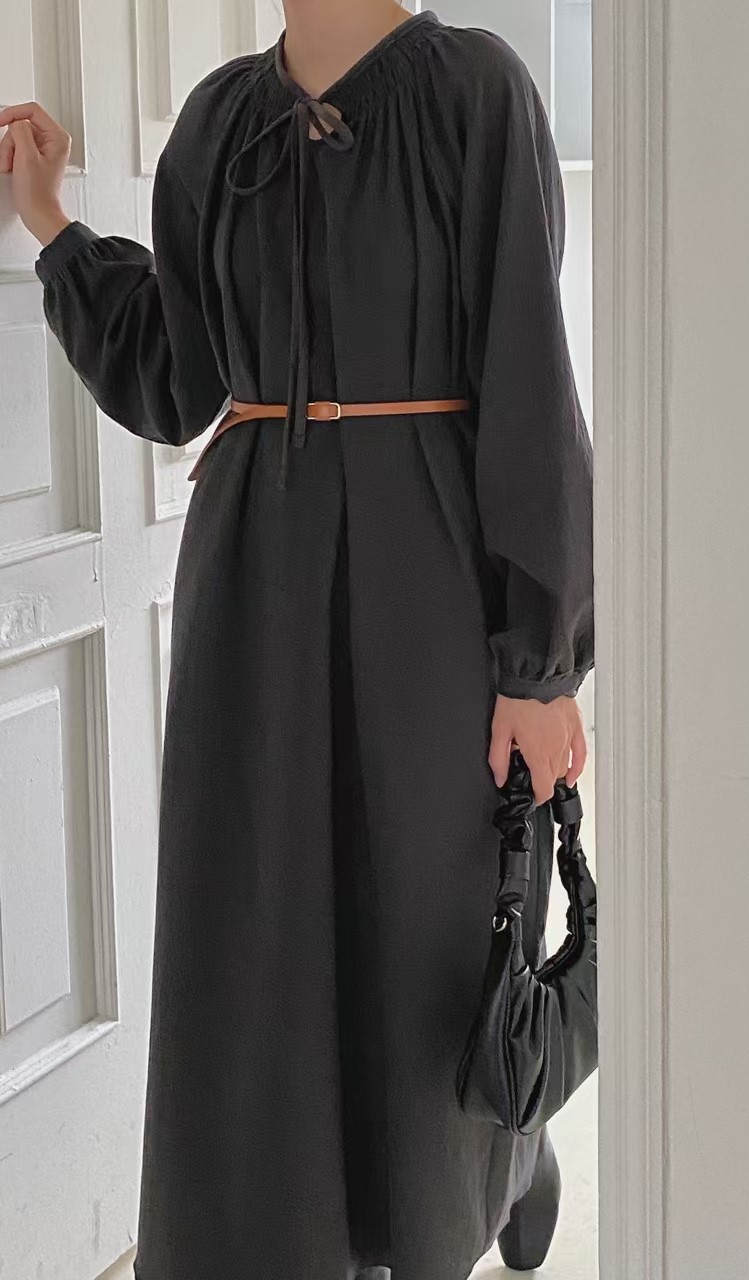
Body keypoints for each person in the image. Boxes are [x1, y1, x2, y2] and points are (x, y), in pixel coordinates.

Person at [0, 2, 594, 1277]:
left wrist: (541, 665)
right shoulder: (217, 124)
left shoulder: (475, 91)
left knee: (435, 918)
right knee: (262, 923)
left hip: (431, 576)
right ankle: (304, 1237)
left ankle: (492, 1162)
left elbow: (531, 377)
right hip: (254, 585)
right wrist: (52, 226)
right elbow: (177, 376)